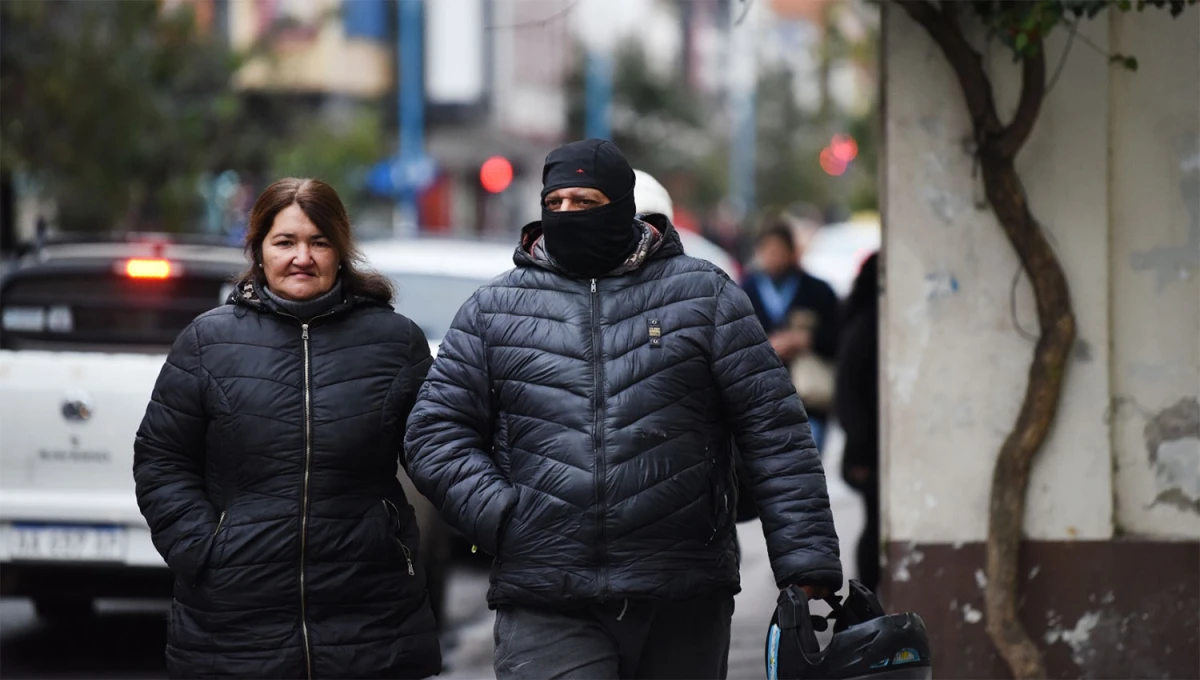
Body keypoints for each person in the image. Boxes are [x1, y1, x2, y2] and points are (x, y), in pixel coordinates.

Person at [404, 139, 842, 680]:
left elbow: (773, 428)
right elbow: (434, 432)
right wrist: (503, 516)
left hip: (681, 593)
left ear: (622, 206)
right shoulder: (494, 310)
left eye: (583, 202)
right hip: (546, 596)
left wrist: (807, 559)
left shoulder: (704, 296)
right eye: (555, 202)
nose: (566, 214)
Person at [133, 178, 441, 679]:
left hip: (369, 613)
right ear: (259, 250)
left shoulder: (395, 342)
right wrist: (203, 550)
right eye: (285, 242)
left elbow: (440, 450)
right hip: (235, 619)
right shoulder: (207, 342)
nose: (303, 257)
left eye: (319, 242)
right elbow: (162, 460)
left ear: (341, 251)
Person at [740, 222, 841, 451]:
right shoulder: (745, 290)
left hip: (809, 399)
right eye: (768, 250)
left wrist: (805, 339)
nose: (773, 257)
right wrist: (767, 346)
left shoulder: (818, 290)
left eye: (779, 250)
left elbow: (837, 338)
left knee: (809, 459)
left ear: (792, 251)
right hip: (760, 399)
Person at [835, 252, 881, 593]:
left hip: (869, 447)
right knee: (875, 525)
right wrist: (861, 450)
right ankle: (866, 598)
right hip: (868, 450)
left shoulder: (867, 320)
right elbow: (850, 395)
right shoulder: (867, 325)